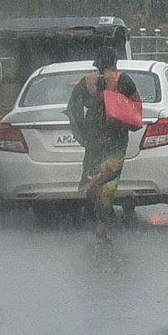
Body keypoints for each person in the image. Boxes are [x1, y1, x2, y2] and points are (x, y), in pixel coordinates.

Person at [66, 46, 142, 240]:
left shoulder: (87, 82)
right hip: (115, 133)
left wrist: (84, 129)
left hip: (94, 134)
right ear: (114, 62)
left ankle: (91, 209)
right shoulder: (123, 80)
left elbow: (73, 107)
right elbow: (136, 103)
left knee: (93, 173)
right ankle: (102, 222)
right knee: (110, 179)